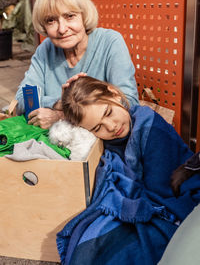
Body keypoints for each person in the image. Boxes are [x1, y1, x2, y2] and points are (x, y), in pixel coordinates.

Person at [57, 75, 200, 265]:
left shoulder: (151, 127)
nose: (111, 127)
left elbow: (163, 191)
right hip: (139, 200)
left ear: (115, 94)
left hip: (170, 198)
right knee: (86, 245)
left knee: (120, 253)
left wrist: (124, 198)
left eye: (108, 113)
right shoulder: (108, 143)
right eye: (97, 127)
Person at [15, 0, 139, 129]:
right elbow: (23, 98)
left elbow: (129, 101)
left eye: (69, 16)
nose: (62, 29)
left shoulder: (110, 42)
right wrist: (58, 102)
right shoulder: (45, 50)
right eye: (51, 20)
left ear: (83, 14)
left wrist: (63, 114)